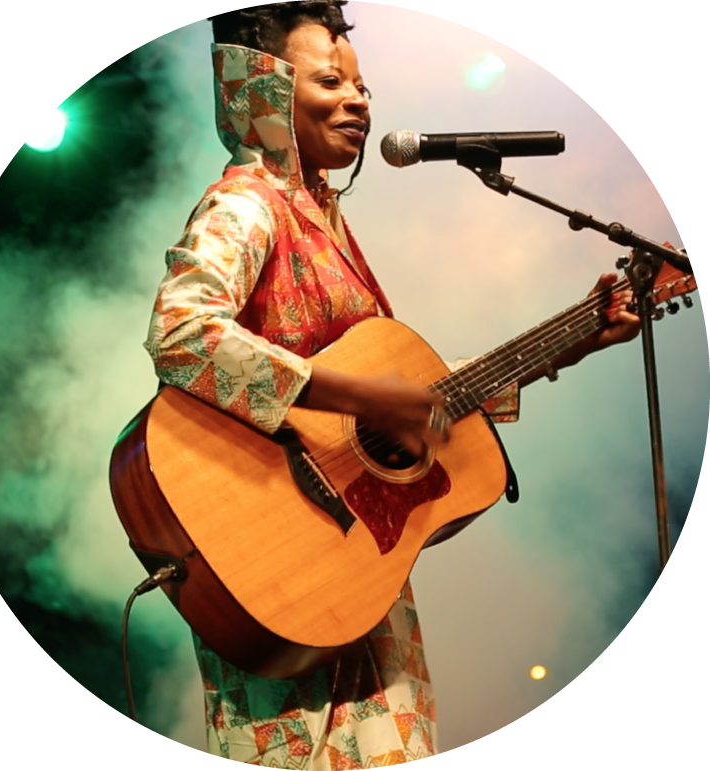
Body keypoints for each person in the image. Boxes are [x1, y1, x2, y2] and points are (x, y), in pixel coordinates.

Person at [143, 3, 640, 764]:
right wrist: (360, 395)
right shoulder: (247, 203)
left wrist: (572, 343)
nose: (359, 101)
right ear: (263, 91)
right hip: (274, 568)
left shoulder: (323, 219)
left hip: (352, 575)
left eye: (363, 86)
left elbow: (414, 413)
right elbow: (182, 332)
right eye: (330, 81)